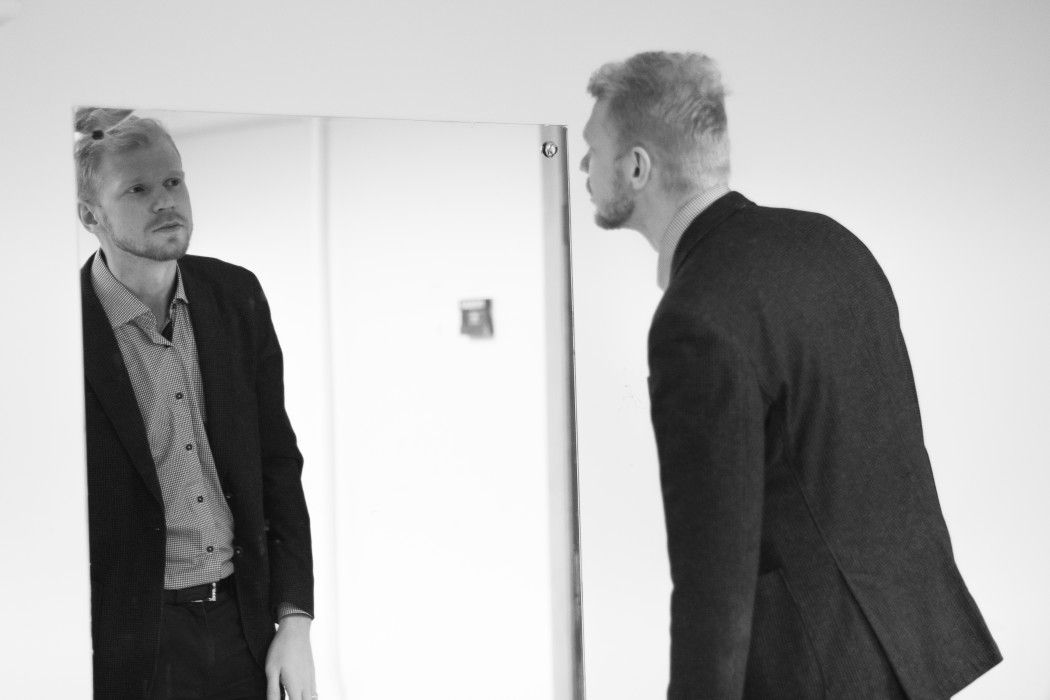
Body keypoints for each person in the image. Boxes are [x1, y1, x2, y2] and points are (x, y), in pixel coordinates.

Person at [581, 52, 1001, 699]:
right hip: (913, 650)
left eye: (593, 149)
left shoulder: (696, 313)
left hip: (810, 673)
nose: (583, 165)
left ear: (637, 167)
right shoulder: (830, 243)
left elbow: (713, 570)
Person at [75, 108, 317, 700]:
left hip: (244, 624)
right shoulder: (63, 322)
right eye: (137, 189)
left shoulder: (235, 293)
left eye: (173, 181)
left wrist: (295, 620)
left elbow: (277, 461)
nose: (165, 201)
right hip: (131, 642)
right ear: (90, 215)